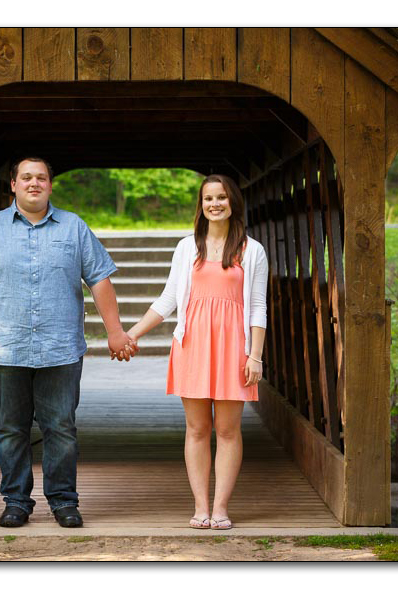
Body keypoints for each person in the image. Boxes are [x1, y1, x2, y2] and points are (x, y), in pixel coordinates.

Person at [0, 156, 138, 528]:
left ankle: (63, 501)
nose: (33, 183)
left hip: (61, 348)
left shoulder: (74, 228)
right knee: (10, 428)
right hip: (7, 347)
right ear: (13, 185)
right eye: (26, 177)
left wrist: (115, 332)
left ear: (51, 185)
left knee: (61, 428)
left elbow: (99, 279)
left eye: (40, 178)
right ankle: (17, 501)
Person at [125, 174, 268, 530]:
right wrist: (131, 334)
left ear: (233, 202)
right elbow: (169, 299)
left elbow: (258, 308)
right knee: (197, 428)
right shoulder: (187, 247)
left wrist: (256, 356)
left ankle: (221, 508)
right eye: (208, 198)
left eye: (221, 197)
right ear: (201, 205)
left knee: (229, 430)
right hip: (192, 345)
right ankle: (200, 507)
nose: (215, 204)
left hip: (234, 347)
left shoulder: (253, 250)